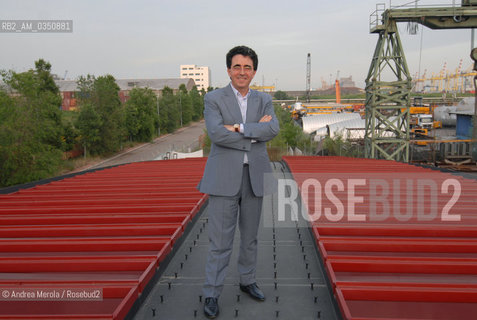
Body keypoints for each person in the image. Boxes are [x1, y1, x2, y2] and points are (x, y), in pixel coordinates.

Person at [197, 45, 279, 319]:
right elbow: (216, 135)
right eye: (237, 67)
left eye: (247, 67)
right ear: (229, 70)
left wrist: (240, 128)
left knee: (250, 238)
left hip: (254, 177)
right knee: (220, 241)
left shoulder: (264, 99)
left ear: (254, 71)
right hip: (223, 179)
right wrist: (255, 134)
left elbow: (273, 129)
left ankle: (247, 280)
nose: (242, 72)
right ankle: (211, 293)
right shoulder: (213, 98)